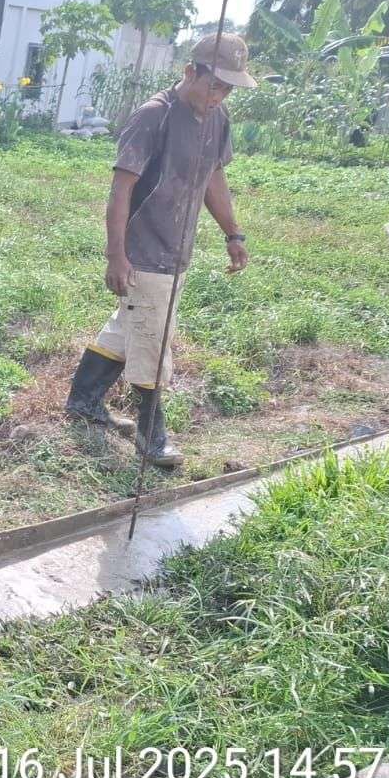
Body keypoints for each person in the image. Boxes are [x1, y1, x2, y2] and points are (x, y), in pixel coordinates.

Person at [64, 32, 258, 469]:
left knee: (129, 327)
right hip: (144, 250)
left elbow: (214, 177)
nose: (219, 96)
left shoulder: (218, 119)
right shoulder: (154, 116)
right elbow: (121, 190)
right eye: (214, 85)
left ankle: (83, 401)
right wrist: (116, 255)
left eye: (228, 89)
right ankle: (151, 436)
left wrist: (234, 233)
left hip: (178, 248)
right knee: (154, 338)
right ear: (190, 72)